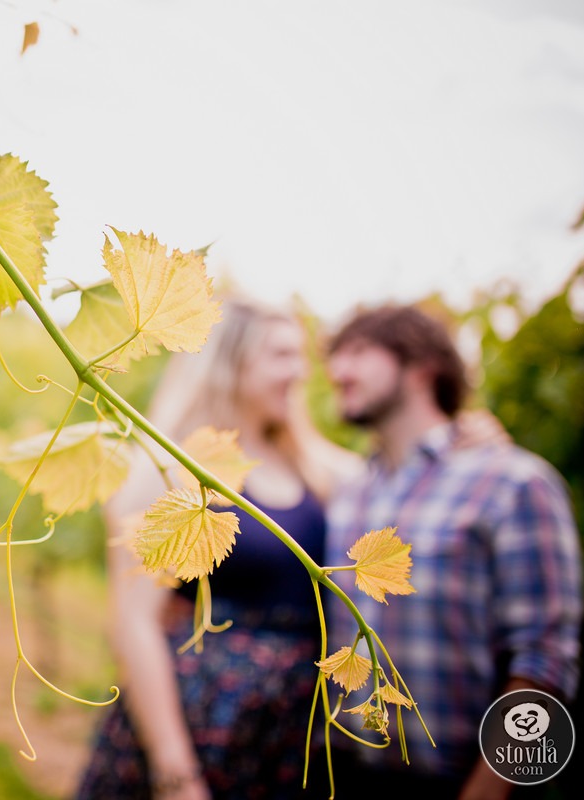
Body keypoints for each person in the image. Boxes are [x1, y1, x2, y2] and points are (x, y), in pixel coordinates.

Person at [76, 299, 360, 799]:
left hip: (291, 728)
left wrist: (466, 437)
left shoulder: (316, 467)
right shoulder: (170, 471)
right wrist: (174, 771)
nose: (299, 372)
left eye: (300, 356)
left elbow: (404, 468)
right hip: (203, 719)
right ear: (232, 361)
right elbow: (135, 623)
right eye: (281, 355)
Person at [323, 304, 583, 798]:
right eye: (335, 357)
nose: (338, 372)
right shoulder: (349, 490)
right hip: (352, 774)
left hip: (464, 782)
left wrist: (490, 788)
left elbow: (545, 660)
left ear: (423, 367)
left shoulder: (512, 481)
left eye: (358, 353)